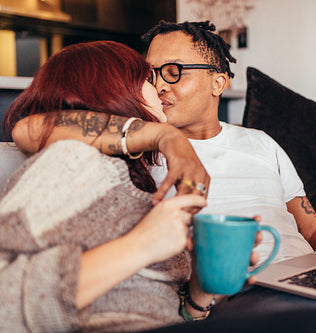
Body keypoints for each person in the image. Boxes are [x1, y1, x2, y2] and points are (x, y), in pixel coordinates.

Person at [9, 22, 316, 333]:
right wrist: (166, 139)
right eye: (152, 72)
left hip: (303, 270)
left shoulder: (261, 144)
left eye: (174, 71)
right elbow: (29, 126)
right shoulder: (129, 151)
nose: (160, 83)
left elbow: (312, 229)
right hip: (244, 289)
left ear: (220, 81)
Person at [0, 40, 240, 332]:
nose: (160, 88)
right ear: (113, 88)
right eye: (149, 78)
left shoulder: (134, 179)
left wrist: (199, 293)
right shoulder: (74, 162)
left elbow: (151, 303)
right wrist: (140, 246)